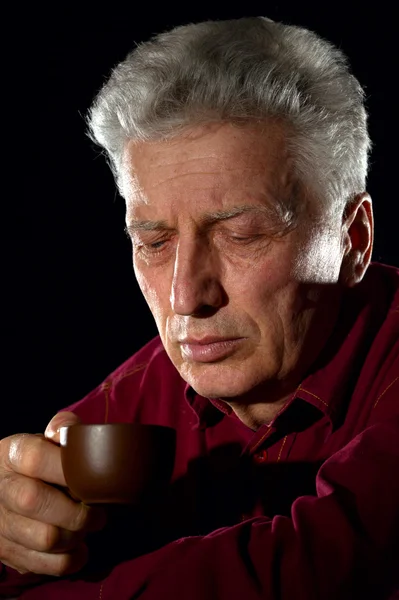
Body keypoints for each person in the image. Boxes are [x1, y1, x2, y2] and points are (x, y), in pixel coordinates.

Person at [0, 15, 398, 600]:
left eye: (241, 235)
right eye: (154, 243)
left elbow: (317, 565)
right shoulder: (128, 401)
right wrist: (15, 532)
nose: (186, 296)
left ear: (354, 240)